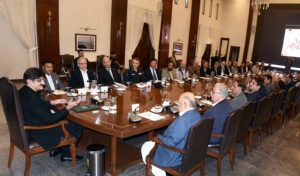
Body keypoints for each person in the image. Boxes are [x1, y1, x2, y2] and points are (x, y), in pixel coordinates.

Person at [19, 68, 83, 162]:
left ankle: (58, 148)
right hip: (40, 132)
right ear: (29, 81)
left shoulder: (24, 91)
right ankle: (67, 154)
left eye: (43, 80)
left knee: (63, 117)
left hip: (31, 124)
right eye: (39, 81)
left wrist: (53, 102)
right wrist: (68, 108)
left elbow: (37, 106)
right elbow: (50, 120)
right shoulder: (32, 99)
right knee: (77, 125)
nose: (43, 83)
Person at [141, 92, 201, 176]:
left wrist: (158, 137)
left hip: (175, 156)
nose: (177, 105)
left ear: (184, 104)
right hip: (189, 153)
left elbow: (171, 142)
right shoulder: (197, 115)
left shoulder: (182, 121)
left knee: (145, 146)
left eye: (178, 102)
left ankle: (161, 173)